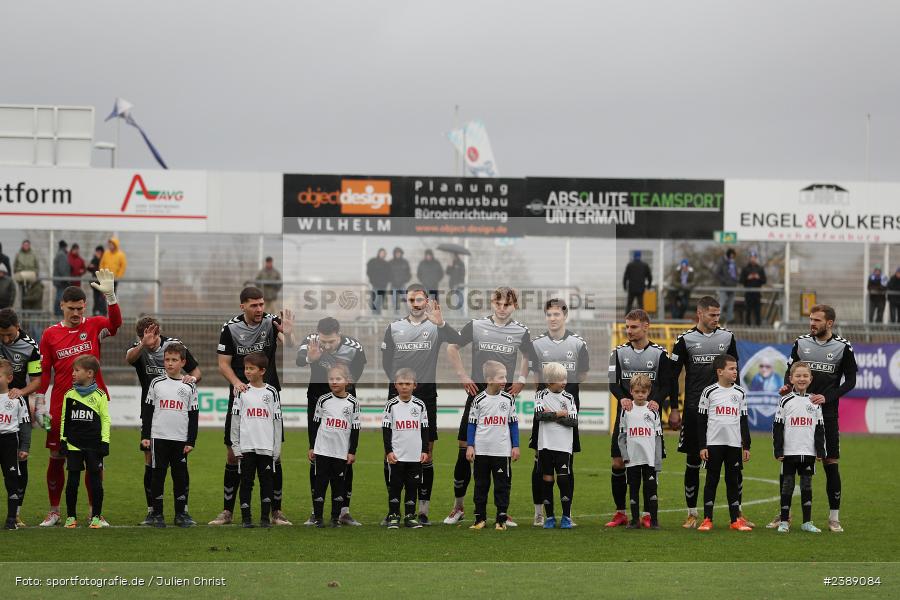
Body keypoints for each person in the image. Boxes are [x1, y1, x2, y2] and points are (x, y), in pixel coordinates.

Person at [37, 271, 121, 528]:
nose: (76, 313)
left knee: (94, 458)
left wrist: (111, 297)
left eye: (80, 308)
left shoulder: (94, 325)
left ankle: (95, 512)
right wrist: (40, 400)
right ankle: (54, 511)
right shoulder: (50, 334)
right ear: (61, 305)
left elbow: (115, 325)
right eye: (71, 308)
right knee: (56, 456)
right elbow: (44, 371)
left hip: (93, 404)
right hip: (61, 405)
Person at [444, 286, 533, 526]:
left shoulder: (521, 331)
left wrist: (522, 380)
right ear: (491, 303)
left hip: (503, 402)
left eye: (507, 305)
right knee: (465, 449)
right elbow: (451, 347)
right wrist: (463, 375)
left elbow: (528, 357)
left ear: (515, 306)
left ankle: (502, 512)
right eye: (498, 303)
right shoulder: (476, 325)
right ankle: (458, 507)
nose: (502, 309)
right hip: (477, 398)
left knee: (501, 453)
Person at [768, 304, 857, 533]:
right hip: (797, 412)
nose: (812, 324)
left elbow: (850, 382)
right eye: (810, 319)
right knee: (788, 462)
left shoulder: (842, 347)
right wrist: (787, 387)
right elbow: (790, 374)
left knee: (830, 463)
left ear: (829, 323)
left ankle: (833, 517)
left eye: (817, 320)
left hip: (825, 413)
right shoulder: (801, 343)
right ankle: (784, 514)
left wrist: (827, 398)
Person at [210, 286, 293, 527]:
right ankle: (227, 511)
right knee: (233, 454)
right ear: (243, 306)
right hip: (241, 396)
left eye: (261, 304)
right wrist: (238, 383)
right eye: (254, 305)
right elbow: (223, 364)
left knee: (274, 453)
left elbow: (289, 348)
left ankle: (276, 512)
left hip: (269, 395)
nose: (259, 309)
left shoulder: (271, 322)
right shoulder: (230, 328)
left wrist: (290, 334)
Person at [381, 285, 459, 524]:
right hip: (398, 395)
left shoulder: (435, 326)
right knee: (392, 452)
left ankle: (422, 510)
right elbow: (386, 363)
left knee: (426, 453)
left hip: (426, 396)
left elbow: (458, 341)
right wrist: (401, 385)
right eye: (412, 300)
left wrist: (442, 323)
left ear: (426, 301)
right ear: (407, 301)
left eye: (420, 300)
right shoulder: (394, 328)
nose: (416, 304)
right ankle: (394, 509)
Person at [671, 296, 741, 529]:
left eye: (718, 315)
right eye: (712, 315)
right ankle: (692, 513)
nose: (716, 319)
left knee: (733, 463)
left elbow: (734, 373)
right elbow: (673, 376)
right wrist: (674, 407)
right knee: (693, 462)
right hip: (693, 410)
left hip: (723, 412)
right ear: (699, 314)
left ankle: (736, 514)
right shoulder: (685, 339)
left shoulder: (727, 337)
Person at [126, 316, 201, 525]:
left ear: (158, 333)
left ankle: (181, 511)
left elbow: (197, 372)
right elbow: (129, 359)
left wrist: (191, 379)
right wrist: (143, 343)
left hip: (175, 419)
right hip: (152, 414)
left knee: (179, 470)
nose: (149, 340)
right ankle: (153, 511)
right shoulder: (139, 348)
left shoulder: (173, 347)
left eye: (151, 336)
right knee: (151, 463)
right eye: (142, 337)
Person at [606, 309, 676, 528]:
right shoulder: (616, 353)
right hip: (626, 416)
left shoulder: (659, 353)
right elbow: (612, 383)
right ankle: (620, 513)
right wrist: (622, 398)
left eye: (633, 327)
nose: (629, 331)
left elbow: (668, 383)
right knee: (618, 463)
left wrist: (656, 400)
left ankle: (647, 514)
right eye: (627, 326)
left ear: (646, 326)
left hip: (648, 419)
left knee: (650, 463)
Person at [297, 316, 366, 526]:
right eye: (323, 341)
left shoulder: (355, 348)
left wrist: (341, 395)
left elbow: (355, 377)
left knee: (345, 458)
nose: (326, 345)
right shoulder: (311, 339)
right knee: (316, 455)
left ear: (339, 334)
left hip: (343, 402)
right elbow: (300, 361)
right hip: (317, 399)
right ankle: (315, 511)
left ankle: (344, 511)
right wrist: (311, 357)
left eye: (331, 342)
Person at [528, 299, 589, 527]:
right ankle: (540, 512)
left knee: (566, 464)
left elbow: (582, 374)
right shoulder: (537, 344)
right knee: (539, 464)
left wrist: (564, 391)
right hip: (545, 410)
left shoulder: (578, 343)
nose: (553, 318)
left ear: (565, 316)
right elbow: (536, 376)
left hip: (568, 407)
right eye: (549, 315)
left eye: (557, 314)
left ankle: (566, 513)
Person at [140, 343, 199, 528]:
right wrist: (146, 435)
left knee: (180, 476)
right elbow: (148, 410)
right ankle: (157, 514)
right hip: (159, 437)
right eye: (167, 360)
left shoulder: (189, 385)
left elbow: (193, 414)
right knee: (158, 475)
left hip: (180, 440)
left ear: (183, 362)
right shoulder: (156, 383)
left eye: (174, 360)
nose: (170, 363)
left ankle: (181, 514)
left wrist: (191, 440)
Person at [696, 354, 752, 532]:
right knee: (711, 480)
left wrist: (747, 446)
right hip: (713, 444)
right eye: (731, 368)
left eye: (736, 368)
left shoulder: (740, 393)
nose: (735, 371)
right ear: (720, 371)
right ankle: (707, 519)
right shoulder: (709, 392)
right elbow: (701, 420)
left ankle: (735, 519)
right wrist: (702, 446)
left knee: (732, 481)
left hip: (734, 445)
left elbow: (743, 420)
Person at [0, 308, 43, 527]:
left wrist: (21, 392)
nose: (5, 339)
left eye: (9, 334)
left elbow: (36, 380)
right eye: (2, 335)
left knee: (19, 460)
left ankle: (16, 511)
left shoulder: (31, 347)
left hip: (17, 405)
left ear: (18, 327)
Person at [230, 352, 283, 528]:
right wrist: (235, 446)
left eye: (251, 368)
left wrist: (277, 448)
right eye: (246, 368)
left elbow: (277, 421)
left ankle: (264, 519)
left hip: (266, 448)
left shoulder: (272, 392)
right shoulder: (241, 391)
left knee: (266, 483)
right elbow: (235, 420)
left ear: (262, 371)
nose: (247, 371)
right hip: (246, 447)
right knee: (246, 482)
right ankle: (246, 519)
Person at [465, 360, 520, 531]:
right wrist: (470, 445)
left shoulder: (508, 399)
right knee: (481, 485)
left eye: (505, 376)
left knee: (502, 486)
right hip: (481, 451)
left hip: (502, 452)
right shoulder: (478, 399)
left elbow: (513, 424)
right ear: (489, 379)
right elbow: (472, 424)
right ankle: (479, 518)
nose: (505, 380)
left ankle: (501, 519)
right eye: (501, 377)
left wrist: (515, 446)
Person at [773, 361, 826, 534]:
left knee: (807, 486)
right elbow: (778, 427)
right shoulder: (785, 401)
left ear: (811, 379)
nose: (801, 379)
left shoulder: (815, 402)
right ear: (791, 379)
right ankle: (784, 521)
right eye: (798, 376)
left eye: (805, 376)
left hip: (808, 452)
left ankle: (807, 522)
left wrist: (820, 450)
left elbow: (819, 429)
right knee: (787, 485)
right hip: (790, 452)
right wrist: (778, 449)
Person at [59, 355, 110, 529]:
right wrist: (63, 440)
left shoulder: (100, 396)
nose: (73, 373)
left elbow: (105, 420)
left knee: (95, 481)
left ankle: (96, 516)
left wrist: (105, 442)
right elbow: (65, 419)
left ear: (89, 373)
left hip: (94, 446)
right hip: (74, 445)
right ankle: (70, 517)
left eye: (76, 370)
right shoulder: (69, 395)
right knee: (72, 482)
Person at [308, 364, 360, 528]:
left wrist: (352, 451)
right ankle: (318, 518)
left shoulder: (353, 403)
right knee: (320, 484)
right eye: (331, 379)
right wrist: (312, 446)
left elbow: (355, 429)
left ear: (347, 381)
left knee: (338, 486)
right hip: (323, 450)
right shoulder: (323, 400)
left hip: (340, 452)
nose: (334, 382)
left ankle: (335, 518)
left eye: (338, 379)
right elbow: (315, 425)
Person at [382, 368, 429, 529]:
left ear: (414, 385)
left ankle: (410, 516)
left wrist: (425, 451)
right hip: (397, 455)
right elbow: (386, 430)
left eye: (407, 383)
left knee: (412, 487)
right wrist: (389, 451)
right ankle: (394, 515)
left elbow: (424, 429)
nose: (404, 387)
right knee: (395, 486)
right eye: (401, 383)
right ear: (395, 385)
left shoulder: (420, 405)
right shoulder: (391, 405)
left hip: (415, 456)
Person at [532, 363, 577, 530]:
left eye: (565, 378)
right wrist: (559, 413)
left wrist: (549, 415)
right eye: (560, 379)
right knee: (547, 479)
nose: (564, 382)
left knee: (564, 479)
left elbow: (573, 421)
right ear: (549, 381)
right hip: (545, 445)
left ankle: (566, 517)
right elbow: (538, 416)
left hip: (564, 445)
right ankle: (549, 517)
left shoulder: (569, 397)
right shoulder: (540, 395)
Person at [617, 374, 663, 530]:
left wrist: (657, 459)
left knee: (651, 489)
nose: (640, 394)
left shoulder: (653, 410)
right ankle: (635, 520)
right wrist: (625, 456)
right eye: (637, 391)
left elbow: (658, 437)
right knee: (634, 489)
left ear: (649, 391)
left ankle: (654, 521)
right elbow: (621, 436)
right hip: (633, 459)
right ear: (631, 391)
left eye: (643, 391)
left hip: (649, 458)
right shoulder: (626, 410)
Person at [0, 359, 31, 530]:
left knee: (12, 480)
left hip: (9, 441)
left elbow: (25, 425)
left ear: (9, 378)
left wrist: (25, 447)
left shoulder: (17, 399)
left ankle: (12, 519)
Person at [740, 250, 767, 326]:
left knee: (757, 311)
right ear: (749, 258)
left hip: (757, 293)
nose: (753, 259)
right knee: (748, 310)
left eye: (754, 257)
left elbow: (764, 280)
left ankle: (758, 326)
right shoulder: (745, 269)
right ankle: (748, 326)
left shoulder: (760, 268)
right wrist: (748, 278)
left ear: (756, 258)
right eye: (751, 257)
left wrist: (758, 277)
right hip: (748, 293)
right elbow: (741, 281)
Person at [715, 248, 739, 323]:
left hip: (733, 286)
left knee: (731, 304)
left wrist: (736, 281)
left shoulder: (734, 263)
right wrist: (724, 281)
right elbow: (717, 274)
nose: (732, 257)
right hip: (724, 286)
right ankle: (717, 319)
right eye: (731, 256)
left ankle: (730, 319)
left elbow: (735, 274)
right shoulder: (722, 262)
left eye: (733, 256)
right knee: (721, 303)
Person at [366, 248, 390, 314]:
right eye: (381, 253)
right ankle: (374, 316)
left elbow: (389, 274)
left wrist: (387, 281)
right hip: (375, 285)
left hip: (383, 286)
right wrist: (372, 280)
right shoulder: (373, 261)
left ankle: (378, 316)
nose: (382, 255)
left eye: (384, 254)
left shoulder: (386, 264)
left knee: (380, 302)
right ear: (378, 253)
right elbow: (369, 271)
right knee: (375, 301)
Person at [388, 247, 411, 313]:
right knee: (395, 303)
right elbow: (387, 273)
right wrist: (391, 280)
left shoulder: (405, 262)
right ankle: (396, 318)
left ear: (401, 254)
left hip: (402, 285)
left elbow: (408, 274)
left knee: (406, 302)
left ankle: (410, 317)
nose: (398, 254)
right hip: (393, 285)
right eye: (396, 253)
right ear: (394, 254)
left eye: (399, 253)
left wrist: (405, 280)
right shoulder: (390, 263)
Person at [52, 240, 70, 316]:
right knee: (60, 297)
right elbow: (62, 268)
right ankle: (58, 313)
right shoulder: (62, 255)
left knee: (58, 296)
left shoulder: (58, 254)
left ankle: (57, 312)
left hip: (58, 280)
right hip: (61, 281)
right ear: (65, 247)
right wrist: (66, 279)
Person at [87, 246, 106, 315]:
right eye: (97, 251)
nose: (98, 253)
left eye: (99, 252)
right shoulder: (94, 260)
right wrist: (90, 267)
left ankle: (103, 313)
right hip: (96, 282)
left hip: (102, 282)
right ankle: (95, 312)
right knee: (96, 298)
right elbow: (89, 268)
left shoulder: (104, 260)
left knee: (102, 298)